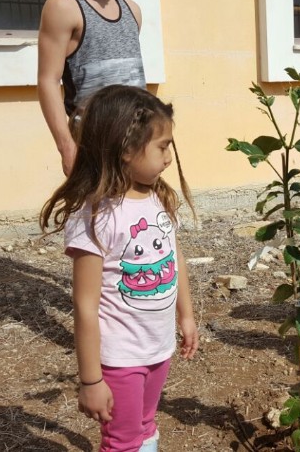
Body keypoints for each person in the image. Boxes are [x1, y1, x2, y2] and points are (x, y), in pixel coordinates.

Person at [39, 85, 197, 452]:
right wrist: (91, 380)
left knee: (145, 424)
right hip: (121, 358)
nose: (169, 157)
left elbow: (175, 257)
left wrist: (185, 315)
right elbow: (84, 306)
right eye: (162, 146)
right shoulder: (95, 218)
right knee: (122, 441)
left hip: (157, 348)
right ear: (125, 150)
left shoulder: (156, 197)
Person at [38, 0, 146, 176]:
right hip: (95, 151)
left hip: (139, 147)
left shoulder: (132, 10)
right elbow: (48, 80)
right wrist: (67, 148)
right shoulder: (63, 8)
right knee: (99, 213)